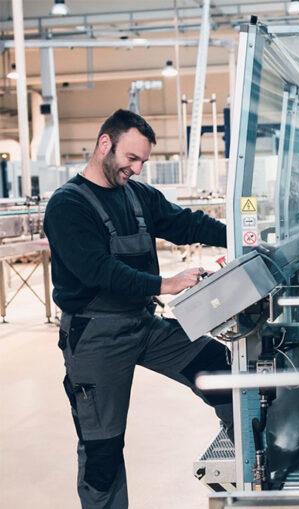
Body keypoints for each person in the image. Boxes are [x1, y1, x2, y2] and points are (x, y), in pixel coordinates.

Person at [43, 109, 233, 509]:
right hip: (96, 336)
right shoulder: (68, 205)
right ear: (104, 143)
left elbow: (185, 224)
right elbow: (98, 270)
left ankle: (251, 457)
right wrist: (165, 283)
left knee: (223, 370)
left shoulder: (137, 195)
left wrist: (242, 234)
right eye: (131, 158)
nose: (137, 168)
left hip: (143, 324)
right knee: (103, 452)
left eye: (143, 161)